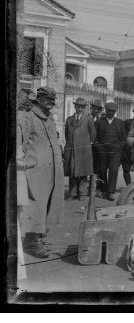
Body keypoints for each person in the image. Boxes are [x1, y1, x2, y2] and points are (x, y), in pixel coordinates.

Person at [17, 86, 65, 258]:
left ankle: (38, 236)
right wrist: (26, 164)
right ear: (39, 99)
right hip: (35, 171)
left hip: (51, 170)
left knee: (47, 204)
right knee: (35, 206)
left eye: (53, 99)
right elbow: (19, 144)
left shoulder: (49, 118)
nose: (51, 102)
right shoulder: (28, 118)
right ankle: (32, 241)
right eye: (47, 99)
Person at [64, 97, 96, 200]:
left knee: (83, 173)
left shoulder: (88, 119)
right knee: (72, 172)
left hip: (83, 151)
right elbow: (66, 135)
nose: (80, 109)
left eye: (82, 107)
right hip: (72, 149)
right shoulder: (69, 120)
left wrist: (87, 144)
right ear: (75, 107)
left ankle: (82, 193)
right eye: (78, 106)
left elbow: (93, 134)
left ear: (84, 108)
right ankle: (72, 193)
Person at [95, 101, 127, 201]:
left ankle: (110, 192)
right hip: (102, 151)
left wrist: (118, 147)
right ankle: (103, 190)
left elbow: (123, 139)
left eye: (113, 111)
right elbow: (95, 138)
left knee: (113, 170)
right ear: (106, 110)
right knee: (102, 171)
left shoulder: (120, 123)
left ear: (115, 111)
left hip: (115, 152)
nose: (110, 113)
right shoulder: (99, 122)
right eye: (109, 111)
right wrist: (99, 147)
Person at [121, 106, 134, 185]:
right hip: (127, 149)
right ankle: (128, 186)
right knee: (126, 169)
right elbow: (122, 134)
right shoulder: (127, 122)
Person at [90, 99, 104, 193]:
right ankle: (90, 187)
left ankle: (98, 187)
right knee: (89, 168)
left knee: (98, 168)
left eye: (98, 109)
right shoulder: (87, 117)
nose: (96, 110)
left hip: (98, 147)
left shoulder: (102, 119)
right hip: (88, 146)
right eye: (95, 108)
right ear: (91, 108)